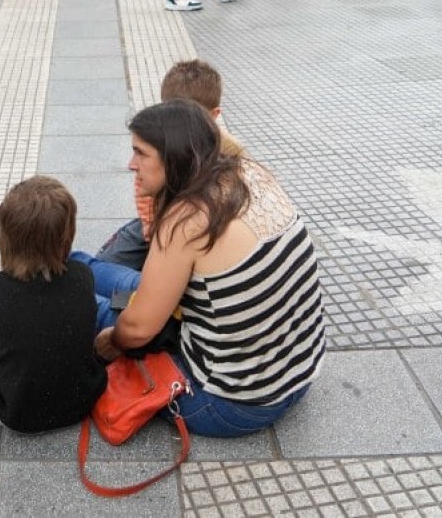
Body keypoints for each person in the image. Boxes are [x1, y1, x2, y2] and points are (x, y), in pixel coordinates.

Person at [74, 100, 327, 438]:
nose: (131, 165)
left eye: (141, 153)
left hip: (231, 403)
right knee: (111, 277)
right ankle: (68, 264)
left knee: (90, 308)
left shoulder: (187, 219)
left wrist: (111, 342)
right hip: (298, 374)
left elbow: (137, 330)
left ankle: (51, 279)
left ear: (175, 156)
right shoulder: (248, 173)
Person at [0, 176, 108, 433]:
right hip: (84, 402)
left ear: (5, 238)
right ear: (67, 235)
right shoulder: (83, 275)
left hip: (19, 415)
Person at [95, 60, 245, 272]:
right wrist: (149, 225)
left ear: (214, 114)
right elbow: (144, 190)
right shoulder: (160, 142)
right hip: (156, 216)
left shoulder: (232, 151)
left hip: (195, 223)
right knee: (104, 264)